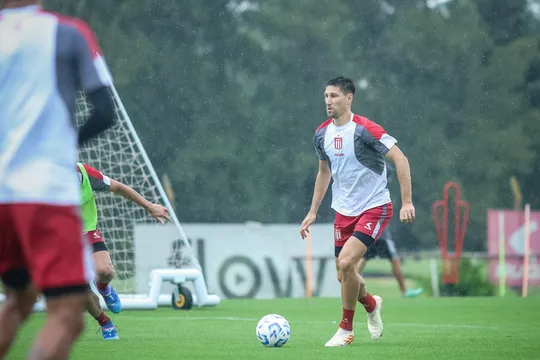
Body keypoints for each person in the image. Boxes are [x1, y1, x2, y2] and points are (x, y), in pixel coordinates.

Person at [0, 1, 116, 359]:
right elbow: (104, 112)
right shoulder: (68, 33)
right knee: (68, 313)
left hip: (3, 193)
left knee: (19, 297)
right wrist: (61, 145)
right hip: (45, 193)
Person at [300, 76, 415, 347]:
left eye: (335, 96)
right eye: (326, 96)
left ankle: (345, 329)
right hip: (343, 211)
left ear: (349, 98)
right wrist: (313, 211)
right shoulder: (321, 134)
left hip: (374, 207)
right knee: (344, 274)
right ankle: (371, 303)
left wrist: (407, 202)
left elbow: (400, 157)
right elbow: (323, 172)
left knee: (346, 264)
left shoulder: (365, 129)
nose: (328, 101)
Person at [76, 162, 170, 340]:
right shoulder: (43, 180)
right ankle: (105, 322)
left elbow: (118, 187)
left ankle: (103, 287)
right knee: (82, 294)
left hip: (87, 231)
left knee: (105, 271)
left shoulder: (85, 172)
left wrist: (150, 207)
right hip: (62, 240)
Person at [357, 162, 423, 298]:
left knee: (362, 259)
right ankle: (404, 292)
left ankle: (349, 286)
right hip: (381, 233)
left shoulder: (368, 187)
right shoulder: (378, 189)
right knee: (394, 259)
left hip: (369, 229)